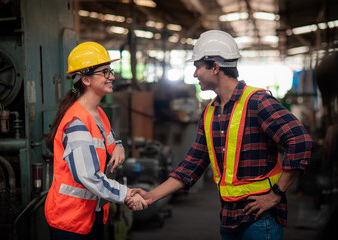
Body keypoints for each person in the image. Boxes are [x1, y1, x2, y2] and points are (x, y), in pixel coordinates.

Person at [129, 30, 314, 240]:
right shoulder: (210, 112)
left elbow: (300, 141)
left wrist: (276, 195)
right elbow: (191, 165)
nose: (195, 74)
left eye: (197, 67)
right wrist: (151, 196)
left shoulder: (258, 102)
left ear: (215, 67)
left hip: (261, 220)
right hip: (228, 219)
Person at [44, 41, 147, 240]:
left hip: (91, 214)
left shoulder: (97, 113)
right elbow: (89, 176)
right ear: (86, 79)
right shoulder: (77, 123)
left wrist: (119, 146)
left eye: (111, 70)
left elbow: (109, 139)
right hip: (70, 220)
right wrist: (126, 194)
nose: (112, 77)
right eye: (105, 72)